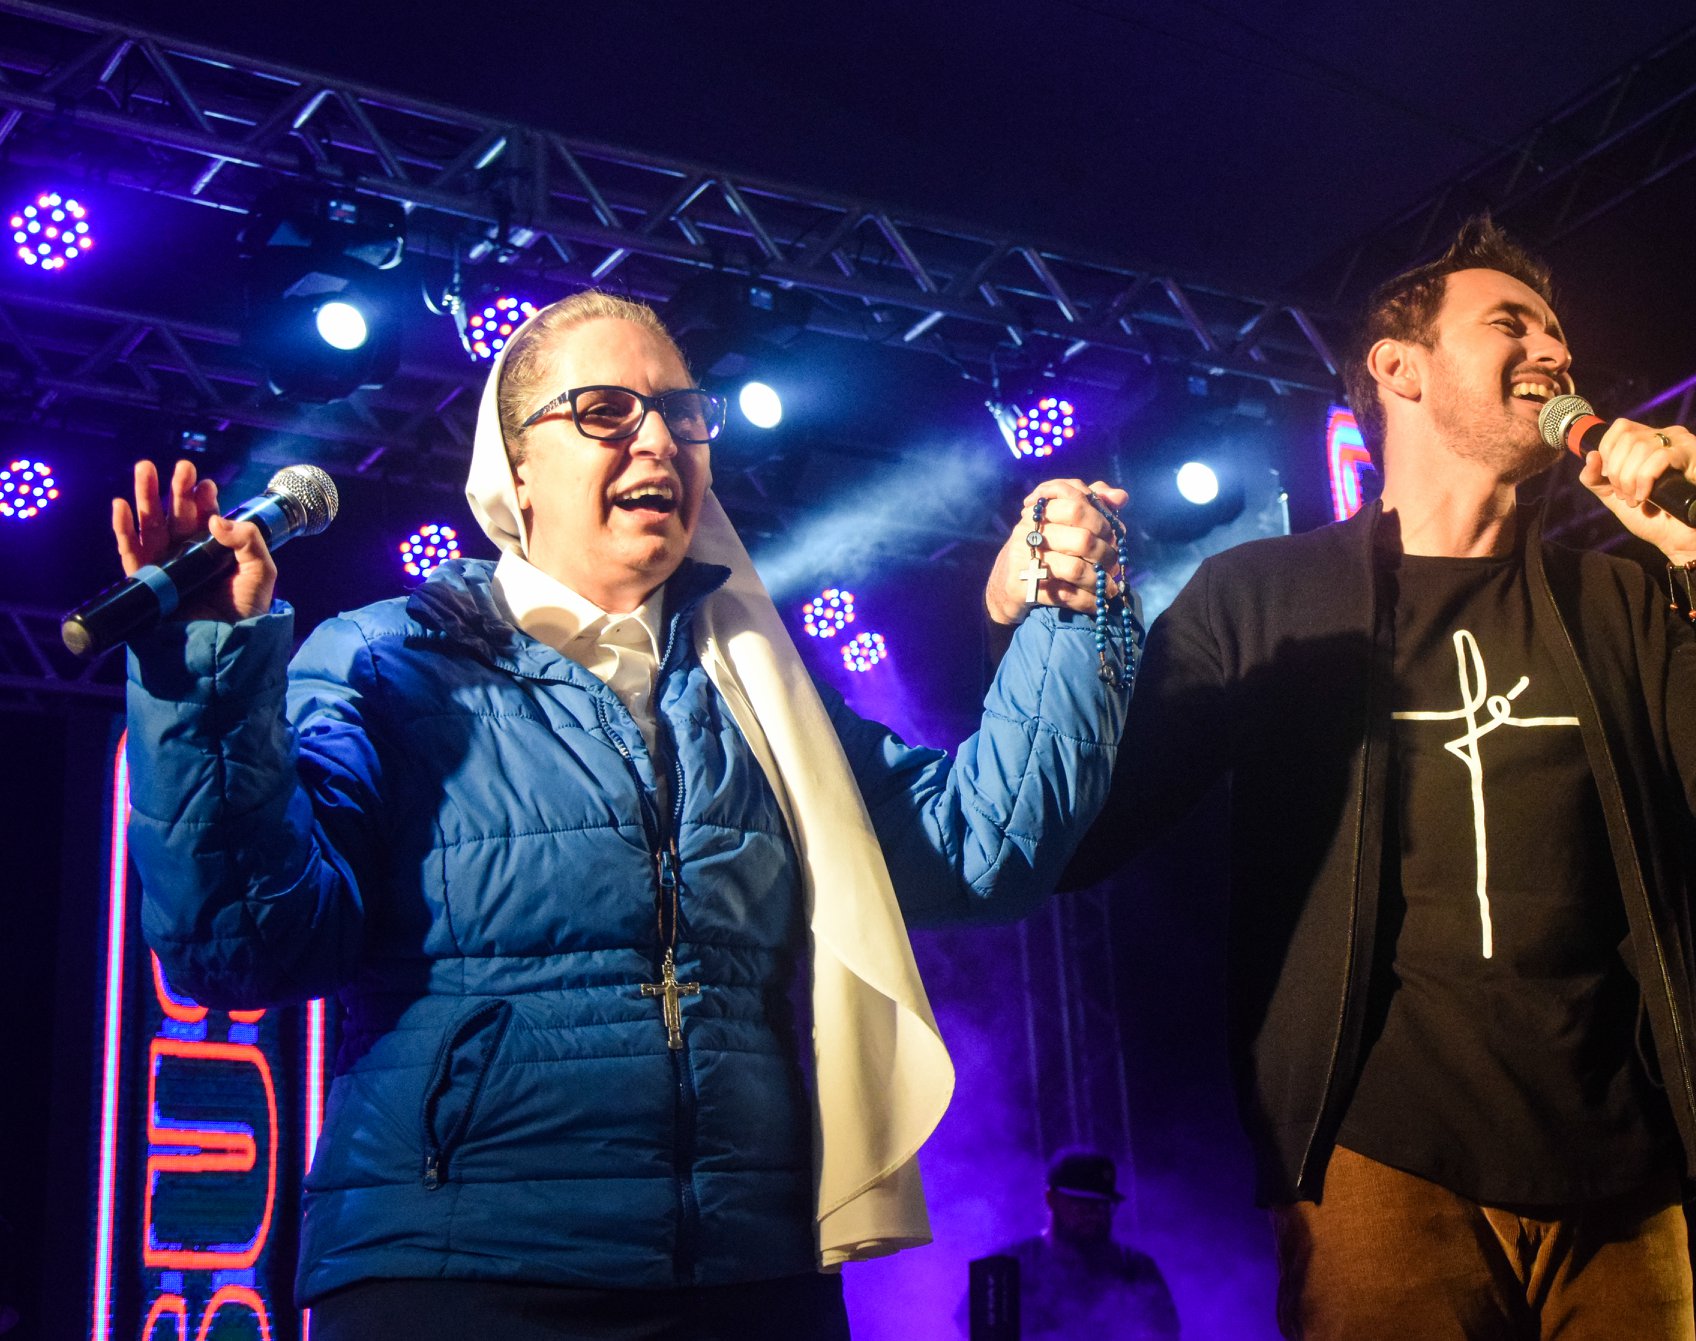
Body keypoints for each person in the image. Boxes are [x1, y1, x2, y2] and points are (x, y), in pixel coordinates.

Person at [115, 289, 1134, 1339]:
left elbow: (979, 853)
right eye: (604, 410)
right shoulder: (384, 661)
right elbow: (248, 948)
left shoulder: (763, 687)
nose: (658, 439)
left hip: (748, 1275)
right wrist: (206, 675)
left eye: (682, 413)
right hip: (458, 1275)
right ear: (515, 468)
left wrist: (1067, 616)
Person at [1062, 218, 1696, 1339]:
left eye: (1558, 334)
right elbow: (1083, 834)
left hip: (1621, 1178)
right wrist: (1040, 634)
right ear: (1400, 367)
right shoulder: (1263, 599)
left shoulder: (1618, 601)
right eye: (1510, 324)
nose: (1553, 350)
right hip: (1380, 1163)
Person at [961, 1149, 1179, 1341]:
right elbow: (973, 1329)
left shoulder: (1135, 1268)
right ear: (1051, 1199)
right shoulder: (1006, 1268)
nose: (1093, 1215)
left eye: (1102, 1206)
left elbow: (1163, 1333)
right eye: (1081, 1204)